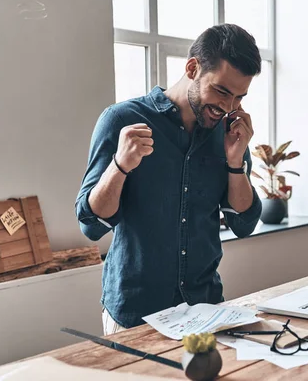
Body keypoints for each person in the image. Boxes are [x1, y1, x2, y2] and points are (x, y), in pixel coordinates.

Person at [75, 24, 263, 335]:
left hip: (207, 309)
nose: (228, 107)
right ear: (192, 68)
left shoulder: (229, 133)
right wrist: (120, 166)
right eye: (221, 91)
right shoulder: (122, 120)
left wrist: (234, 163)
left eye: (239, 97)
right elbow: (91, 224)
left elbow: (243, 224)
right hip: (136, 315)